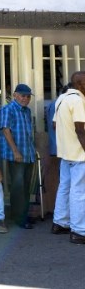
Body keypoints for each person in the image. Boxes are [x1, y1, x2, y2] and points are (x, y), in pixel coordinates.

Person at [51, 71, 85, 244]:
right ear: (80, 84)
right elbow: (81, 130)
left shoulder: (61, 99)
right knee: (79, 191)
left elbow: (54, 125)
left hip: (65, 154)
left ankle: (60, 223)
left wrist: (66, 141)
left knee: (64, 187)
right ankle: (79, 231)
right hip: (79, 155)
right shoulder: (78, 101)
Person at [0, 83, 35, 229]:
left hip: (28, 153)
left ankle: (23, 214)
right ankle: (19, 218)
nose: (25, 98)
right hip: (17, 155)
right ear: (15, 95)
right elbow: (6, 130)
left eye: (28, 96)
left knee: (26, 186)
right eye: (22, 95)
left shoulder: (27, 111)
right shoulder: (7, 109)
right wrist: (15, 151)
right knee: (18, 186)